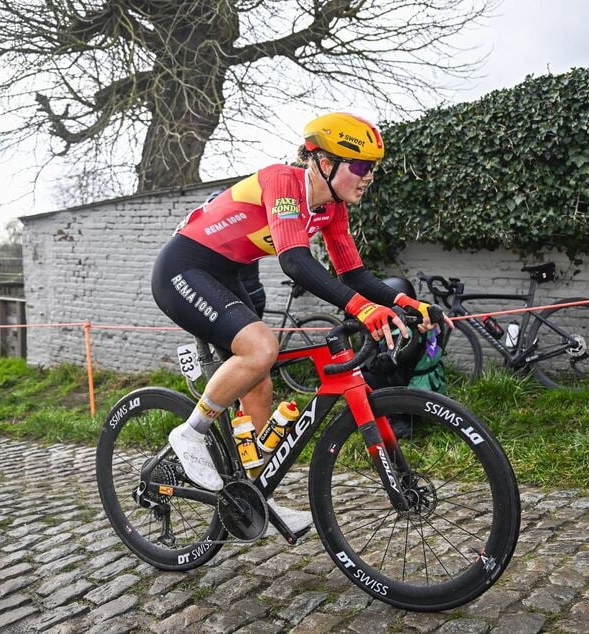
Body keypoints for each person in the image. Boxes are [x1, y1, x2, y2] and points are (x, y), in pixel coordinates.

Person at [151, 112, 452, 532]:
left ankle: (254, 497)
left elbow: (354, 275)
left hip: (227, 273)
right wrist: (364, 310)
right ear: (324, 163)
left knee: (259, 381)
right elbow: (294, 260)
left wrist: (406, 303)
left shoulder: (331, 210)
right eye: (360, 166)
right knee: (261, 349)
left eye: (373, 169)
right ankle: (191, 432)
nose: (368, 177)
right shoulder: (282, 181)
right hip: (183, 268)